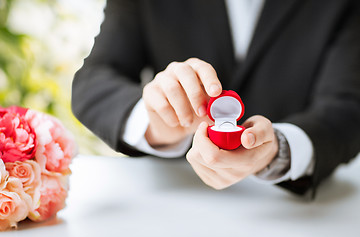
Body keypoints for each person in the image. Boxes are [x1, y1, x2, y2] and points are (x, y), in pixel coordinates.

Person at [72, 0, 360, 197]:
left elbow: (348, 107)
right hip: (169, 201)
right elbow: (94, 78)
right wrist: (156, 123)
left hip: (294, 210)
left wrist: (279, 150)